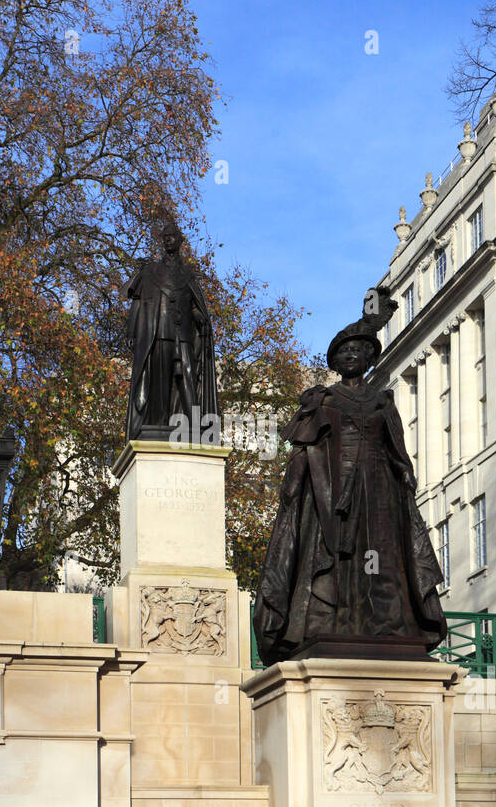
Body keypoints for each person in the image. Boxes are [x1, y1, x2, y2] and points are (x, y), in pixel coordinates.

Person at [253, 298, 447, 664]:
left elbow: (396, 447)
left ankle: (386, 624)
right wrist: (293, 484)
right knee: (336, 555)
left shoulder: (382, 401)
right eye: (343, 351)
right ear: (334, 362)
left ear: (369, 359)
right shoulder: (324, 399)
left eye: (357, 350)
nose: (349, 356)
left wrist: (405, 472)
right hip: (334, 491)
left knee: (381, 556)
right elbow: (303, 444)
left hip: (379, 489)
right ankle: (335, 622)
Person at [125, 215, 218, 442]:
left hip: (183, 334)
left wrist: (201, 319)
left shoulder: (188, 274)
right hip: (159, 333)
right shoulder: (150, 271)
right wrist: (131, 332)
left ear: (180, 241)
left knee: (188, 376)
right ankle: (158, 424)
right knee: (160, 379)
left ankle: (194, 425)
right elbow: (138, 302)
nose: (168, 241)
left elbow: (195, 306)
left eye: (172, 237)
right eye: (164, 238)